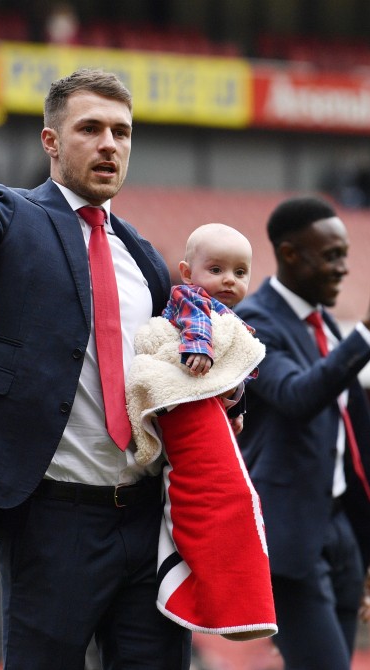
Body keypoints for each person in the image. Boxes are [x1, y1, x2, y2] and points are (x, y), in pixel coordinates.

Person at [0, 24, 187, 670]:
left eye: (122, 132)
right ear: (51, 142)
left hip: (147, 518)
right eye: (91, 129)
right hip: (56, 518)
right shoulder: (12, 214)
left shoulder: (145, 259)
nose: (110, 143)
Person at [235, 195, 370, 670]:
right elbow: (297, 396)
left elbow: (345, 436)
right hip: (290, 537)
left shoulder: (320, 320)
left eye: (345, 255)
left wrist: (359, 553)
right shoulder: (254, 321)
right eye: (331, 256)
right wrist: (369, 327)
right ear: (289, 254)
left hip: (339, 528)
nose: (344, 268)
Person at [126, 223, 275, 640]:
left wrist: (236, 408)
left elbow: (234, 375)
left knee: (233, 493)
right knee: (225, 492)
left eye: (240, 272)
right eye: (217, 269)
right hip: (182, 391)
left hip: (203, 401)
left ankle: (233, 599)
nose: (229, 280)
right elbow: (196, 327)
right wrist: (198, 350)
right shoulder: (191, 299)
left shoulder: (233, 320)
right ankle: (225, 597)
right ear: (187, 272)